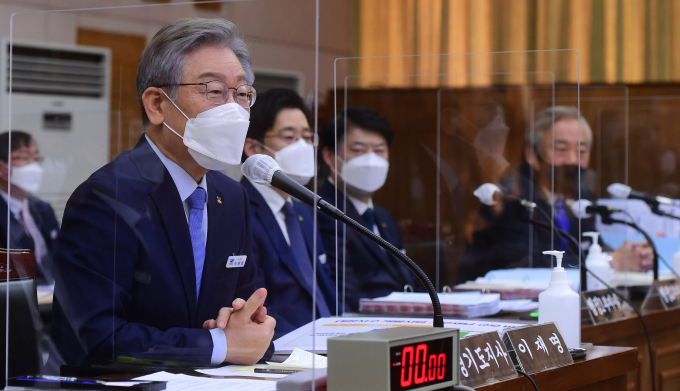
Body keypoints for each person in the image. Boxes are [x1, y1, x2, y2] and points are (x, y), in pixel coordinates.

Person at [49, 18, 275, 368]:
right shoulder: (107, 197)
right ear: (157, 104)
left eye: (243, 94)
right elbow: (96, 339)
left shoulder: (231, 197)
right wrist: (218, 345)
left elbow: (248, 316)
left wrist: (254, 335)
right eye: (215, 91)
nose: (235, 109)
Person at [458, 106, 652, 283]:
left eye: (581, 151)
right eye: (561, 150)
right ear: (532, 155)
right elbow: (529, 261)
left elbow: (589, 245)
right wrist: (609, 261)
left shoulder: (580, 195)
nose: (572, 160)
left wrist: (631, 256)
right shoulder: (512, 199)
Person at [241, 88, 335, 338]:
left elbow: (325, 287)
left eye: (307, 137)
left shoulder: (303, 210)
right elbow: (253, 305)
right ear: (253, 147)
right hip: (287, 348)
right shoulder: (238, 210)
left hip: (329, 343)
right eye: (289, 137)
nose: (303, 147)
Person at [318, 106, 417, 313]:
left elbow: (407, 280)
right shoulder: (323, 212)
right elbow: (344, 293)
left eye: (380, 151)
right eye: (359, 150)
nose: (371, 160)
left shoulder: (384, 218)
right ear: (329, 156)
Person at [0, 131, 58, 284]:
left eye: (35, 159)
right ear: (1, 167)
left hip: (48, 299)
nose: (34, 167)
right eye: (23, 158)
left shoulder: (43, 209)